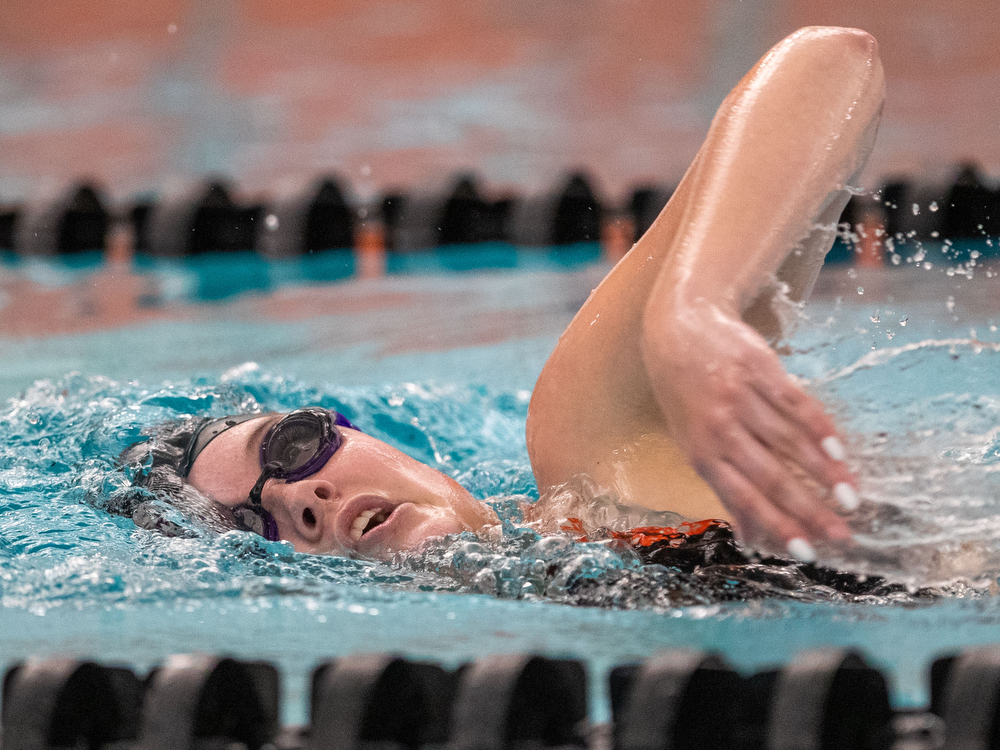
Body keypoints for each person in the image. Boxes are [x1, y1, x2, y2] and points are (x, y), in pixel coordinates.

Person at [123, 26, 885, 565]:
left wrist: (692, 311)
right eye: (252, 526)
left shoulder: (599, 453)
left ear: (367, 435)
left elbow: (831, 63)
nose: (302, 499)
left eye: (291, 448)